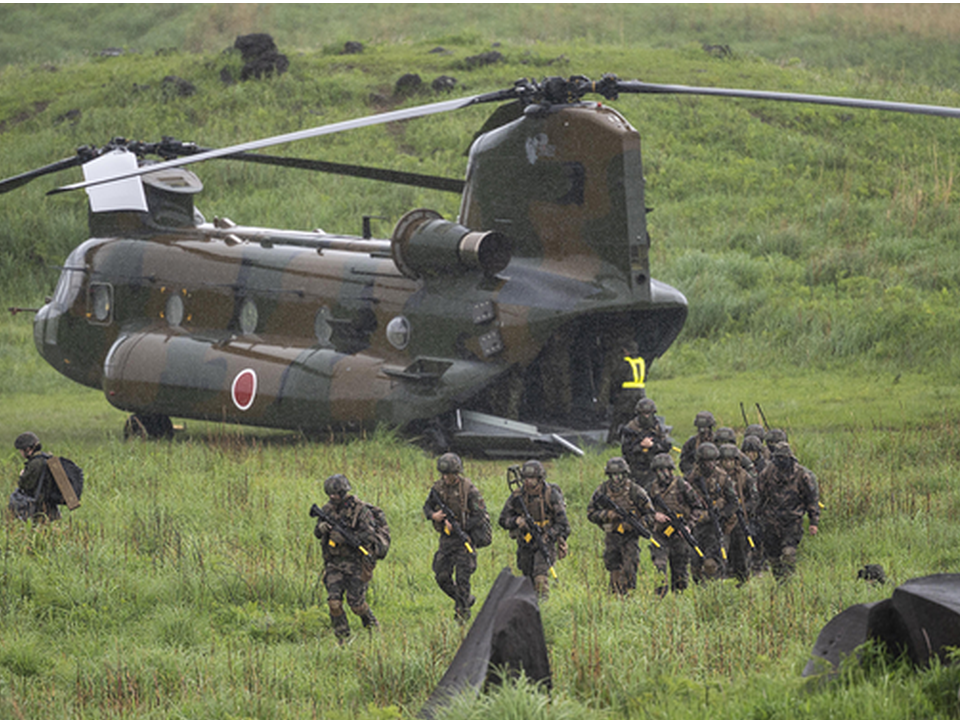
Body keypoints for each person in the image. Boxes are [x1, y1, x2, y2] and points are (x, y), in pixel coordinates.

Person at [313, 473, 380, 643]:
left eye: (335, 494)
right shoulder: (327, 509)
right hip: (334, 564)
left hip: (356, 562)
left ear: (344, 492)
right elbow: (317, 532)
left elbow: (369, 535)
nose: (332, 497)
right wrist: (322, 528)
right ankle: (343, 639)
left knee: (356, 604)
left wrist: (346, 538)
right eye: (330, 494)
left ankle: (371, 624)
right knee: (334, 603)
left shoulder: (360, 510)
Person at [424, 452, 490, 623]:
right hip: (446, 540)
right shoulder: (437, 488)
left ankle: (462, 614)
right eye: (444, 474)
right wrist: (434, 516)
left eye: (450, 474)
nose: (446, 478)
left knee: (463, 578)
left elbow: (480, 515)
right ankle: (464, 600)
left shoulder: (469, 489)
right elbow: (427, 506)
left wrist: (460, 527)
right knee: (441, 576)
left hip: (464, 539)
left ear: (457, 473)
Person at [499, 459, 571, 599]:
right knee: (527, 579)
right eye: (526, 478)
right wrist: (516, 521)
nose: (528, 482)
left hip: (545, 542)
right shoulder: (517, 495)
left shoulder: (551, 494)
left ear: (539, 478)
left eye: (532, 479)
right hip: (525, 542)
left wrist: (549, 535)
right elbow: (502, 519)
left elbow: (563, 524)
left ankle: (543, 608)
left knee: (540, 577)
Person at [587, 456, 655, 595]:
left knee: (629, 568)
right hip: (612, 535)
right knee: (613, 568)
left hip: (630, 537)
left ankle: (628, 598)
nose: (616, 479)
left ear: (625, 474)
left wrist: (636, 525)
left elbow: (651, 515)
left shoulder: (636, 491)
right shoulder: (602, 490)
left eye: (619, 475)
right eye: (613, 475)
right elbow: (590, 513)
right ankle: (614, 598)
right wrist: (607, 515)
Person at [756, 442, 820, 581]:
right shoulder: (767, 473)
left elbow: (812, 499)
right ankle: (780, 583)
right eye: (777, 458)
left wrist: (813, 521)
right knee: (773, 558)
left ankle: (789, 582)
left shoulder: (803, 475)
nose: (780, 461)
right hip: (771, 522)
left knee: (788, 553)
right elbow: (759, 496)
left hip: (792, 521)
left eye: (783, 458)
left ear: (790, 457)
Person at [647, 453, 705, 595]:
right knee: (659, 567)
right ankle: (659, 599)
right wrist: (654, 515)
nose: (662, 474)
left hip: (679, 535)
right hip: (659, 534)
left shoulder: (682, 485)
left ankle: (677, 603)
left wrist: (689, 526)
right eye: (658, 471)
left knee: (680, 574)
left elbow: (698, 507)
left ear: (671, 470)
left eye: (664, 470)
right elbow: (640, 510)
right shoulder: (651, 488)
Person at [685, 442, 737, 583]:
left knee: (711, 564)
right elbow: (683, 502)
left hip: (716, 527)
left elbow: (734, 502)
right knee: (695, 567)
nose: (709, 465)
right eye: (706, 461)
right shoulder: (691, 478)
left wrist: (722, 514)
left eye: (712, 461)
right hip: (697, 527)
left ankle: (714, 591)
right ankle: (702, 593)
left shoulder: (723, 477)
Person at [719, 443, 759, 584]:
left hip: (740, 520)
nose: (728, 463)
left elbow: (754, 497)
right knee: (722, 551)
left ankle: (742, 580)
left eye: (731, 460)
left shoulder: (744, 476)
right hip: (723, 520)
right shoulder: (717, 477)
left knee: (741, 552)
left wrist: (744, 508)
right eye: (725, 460)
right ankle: (721, 581)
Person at [620, 397, 672, 490]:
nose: (646, 417)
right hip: (636, 467)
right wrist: (640, 446)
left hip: (655, 468)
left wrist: (653, 445)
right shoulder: (631, 428)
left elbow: (667, 446)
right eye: (644, 414)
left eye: (648, 414)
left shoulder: (658, 427)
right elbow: (625, 451)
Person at [10, 431, 59, 521]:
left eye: (21, 450)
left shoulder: (35, 463)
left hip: (39, 509)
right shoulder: (46, 458)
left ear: (27, 449)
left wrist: (22, 476)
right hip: (51, 508)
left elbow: (25, 486)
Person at [679, 411, 716, 476]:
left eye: (705, 429)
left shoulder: (717, 441)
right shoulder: (691, 443)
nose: (703, 433)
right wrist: (693, 470)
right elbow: (683, 462)